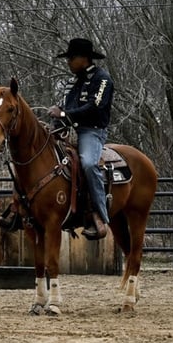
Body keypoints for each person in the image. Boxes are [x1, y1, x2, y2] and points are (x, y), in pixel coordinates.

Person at [48, 37, 113, 240]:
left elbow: (95, 107)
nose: (68, 62)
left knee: (89, 164)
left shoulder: (102, 79)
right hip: (68, 130)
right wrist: (56, 121)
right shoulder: (71, 82)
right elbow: (65, 108)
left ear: (84, 58)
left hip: (91, 131)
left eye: (71, 58)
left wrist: (64, 114)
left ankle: (99, 215)